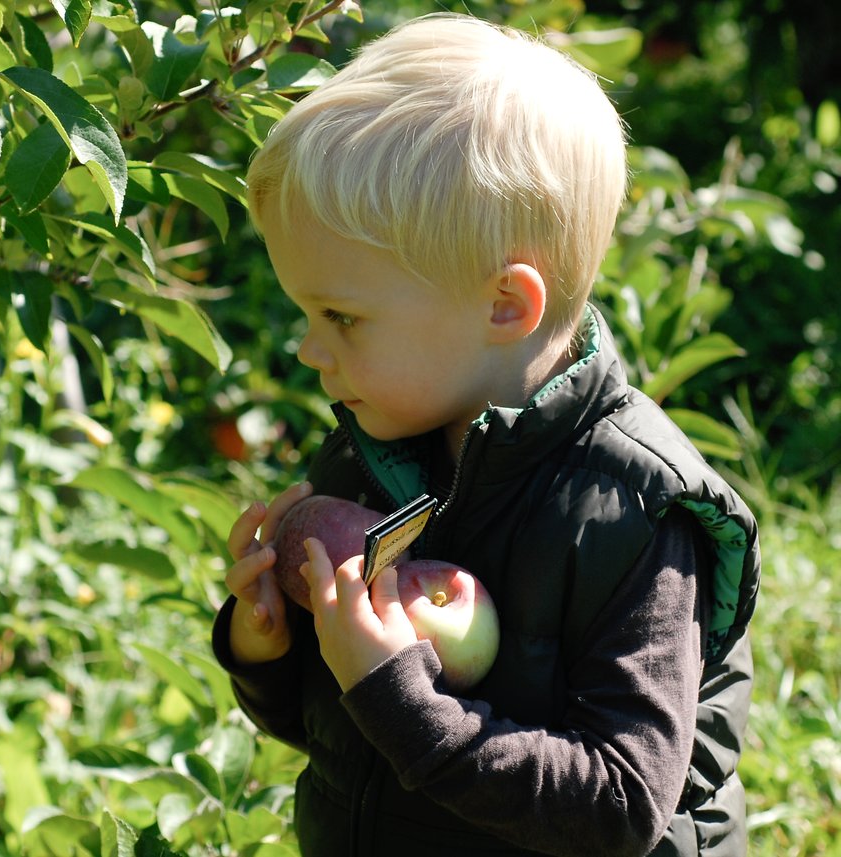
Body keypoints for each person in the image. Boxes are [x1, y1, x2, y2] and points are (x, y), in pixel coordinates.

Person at [211, 13, 758, 857]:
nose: (309, 350)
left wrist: (397, 693)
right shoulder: (373, 453)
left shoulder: (635, 518)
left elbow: (618, 807)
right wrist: (271, 645)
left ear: (505, 306)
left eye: (342, 317)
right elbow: (344, 741)